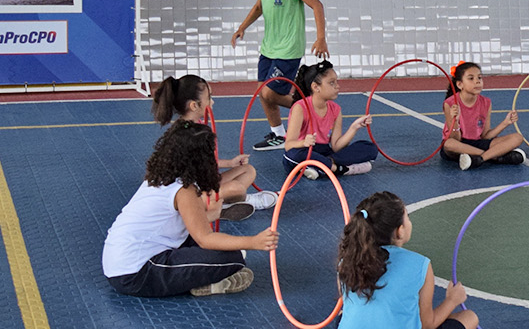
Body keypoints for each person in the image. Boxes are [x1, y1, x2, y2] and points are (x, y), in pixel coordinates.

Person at [102, 121, 278, 298]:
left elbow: (175, 222)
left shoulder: (159, 177)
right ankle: (206, 284)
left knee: (222, 248)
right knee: (233, 259)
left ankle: (203, 271)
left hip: (121, 262)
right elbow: (205, 239)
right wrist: (254, 242)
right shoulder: (184, 191)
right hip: (135, 274)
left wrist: (208, 216)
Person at [333, 191, 478, 329]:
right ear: (399, 231)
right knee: (469, 318)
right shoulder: (420, 264)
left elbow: (346, 301)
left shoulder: (347, 261)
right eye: (407, 217)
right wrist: (452, 300)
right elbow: (427, 325)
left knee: (346, 313)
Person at [229, 0, 329, 151]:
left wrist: (321, 38)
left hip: (288, 49)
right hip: (269, 48)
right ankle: (279, 135)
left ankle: (313, 107)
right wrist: (242, 27)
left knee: (269, 93)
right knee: (262, 93)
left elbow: (317, 5)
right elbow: (259, 7)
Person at [150, 72, 273, 219]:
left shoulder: (197, 126)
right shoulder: (189, 135)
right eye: (209, 98)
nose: (212, 102)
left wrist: (230, 163)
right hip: (189, 193)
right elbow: (197, 175)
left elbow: (204, 162)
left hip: (201, 183)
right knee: (236, 188)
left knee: (248, 170)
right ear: (194, 105)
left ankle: (222, 205)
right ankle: (240, 201)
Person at [283, 59, 378, 178]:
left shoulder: (336, 109)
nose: (337, 86)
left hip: (325, 153)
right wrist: (304, 142)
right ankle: (338, 169)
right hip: (304, 149)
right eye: (332, 83)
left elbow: (336, 146)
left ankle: (322, 166)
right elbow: (288, 145)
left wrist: (354, 127)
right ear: (316, 87)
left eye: (336, 82)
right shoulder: (300, 107)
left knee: (370, 148)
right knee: (292, 155)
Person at [441, 61, 526, 170]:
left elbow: (485, 136)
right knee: (449, 144)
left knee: (517, 138)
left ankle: (480, 159)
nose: (477, 81)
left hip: (478, 143)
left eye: (479, 78)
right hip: (460, 144)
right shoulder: (450, 103)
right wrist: (455, 121)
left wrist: (505, 123)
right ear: (460, 84)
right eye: (471, 78)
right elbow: (455, 138)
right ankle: (495, 157)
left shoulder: (486, 102)